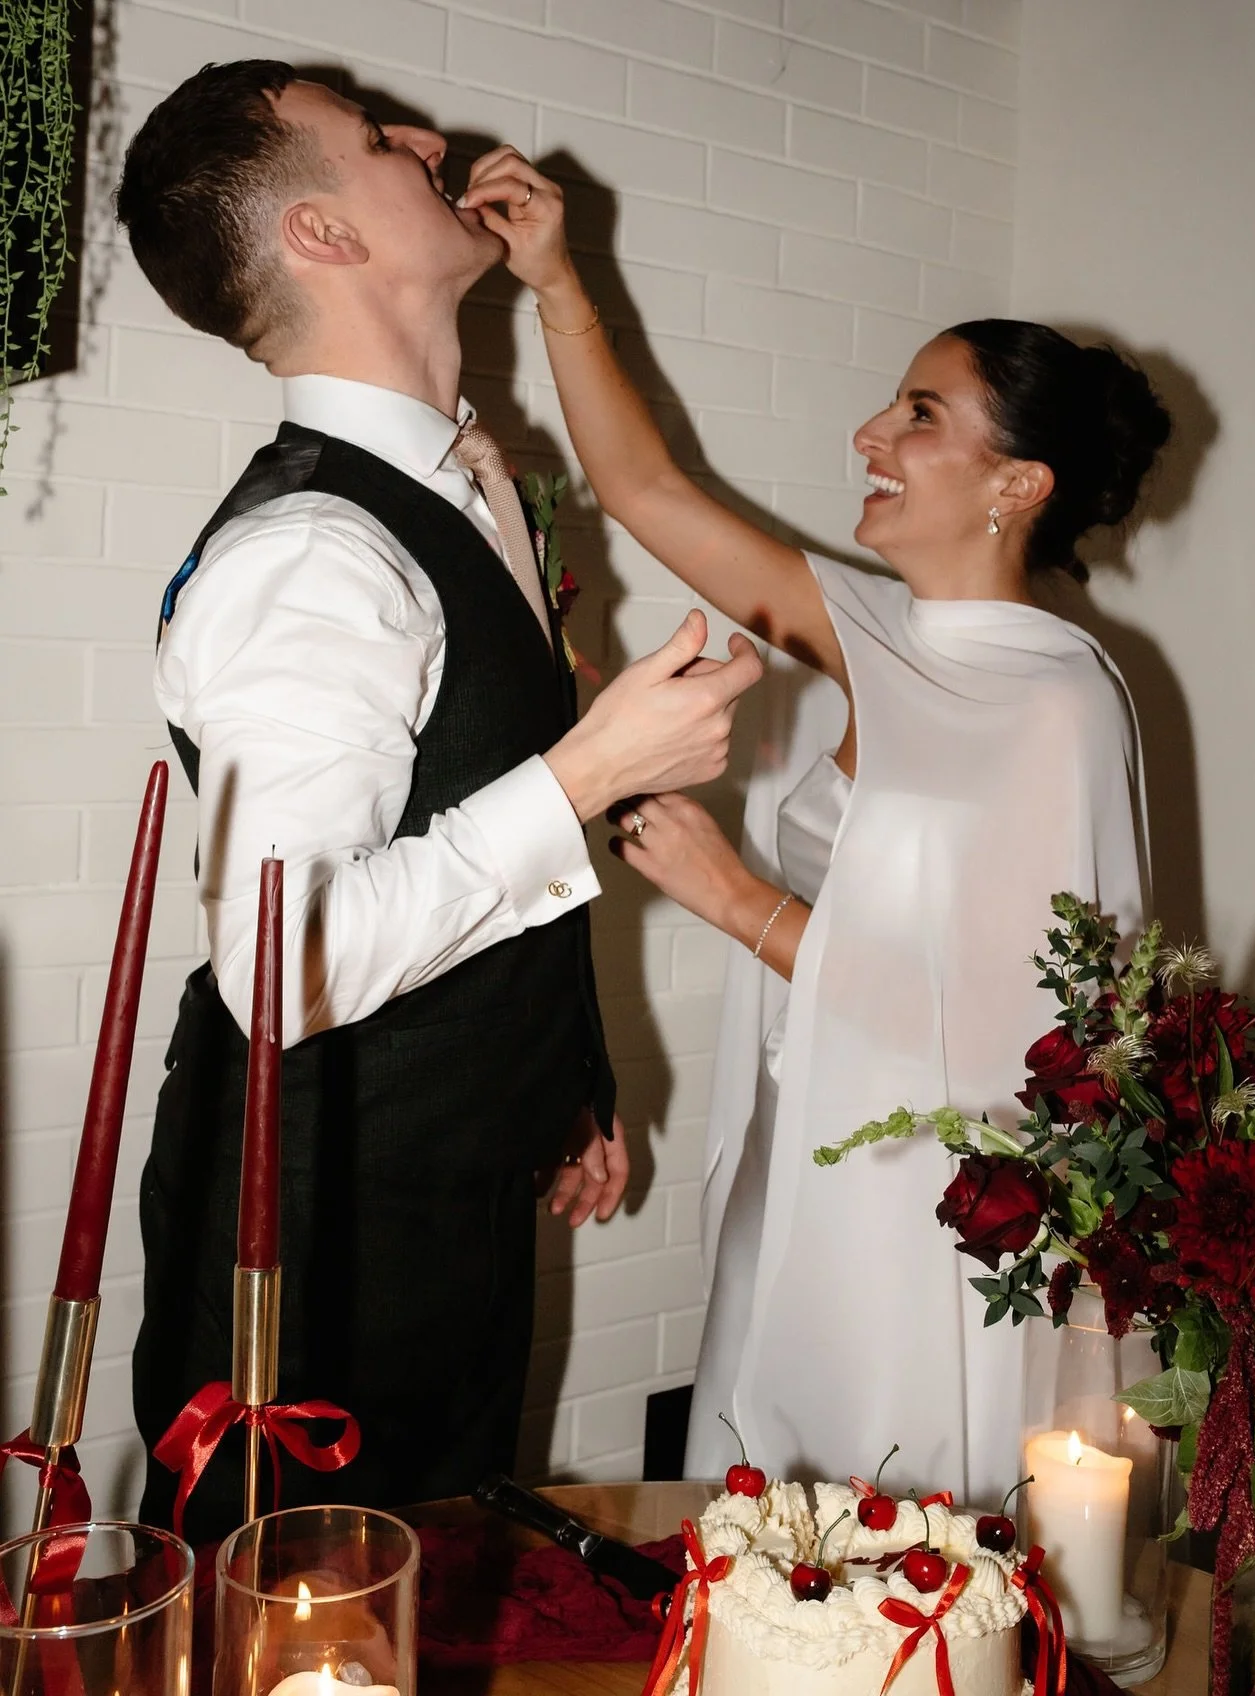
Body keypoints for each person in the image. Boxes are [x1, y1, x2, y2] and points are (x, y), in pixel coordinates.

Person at [453, 145, 1171, 1505]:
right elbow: (649, 494)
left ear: (1019, 483)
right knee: (759, 1512)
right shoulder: (874, 632)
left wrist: (735, 899)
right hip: (797, 1155)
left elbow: (1011, 1031)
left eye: (920, 415)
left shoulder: (1058, 705)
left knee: (883, 1525)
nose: (870, 436)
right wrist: (555, 281)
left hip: (927, 1218)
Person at [114, 62, 762, 1539]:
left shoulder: (464, 485)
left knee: (438, 1580)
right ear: (324, 234)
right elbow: (280, 963)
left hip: (443, 1185)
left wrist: (560, 1076)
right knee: (287, 1616)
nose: (428, 140)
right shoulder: (312, 554)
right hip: (309, 1237)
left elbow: (462, 802)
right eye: (376, 137)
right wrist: (598, 766)